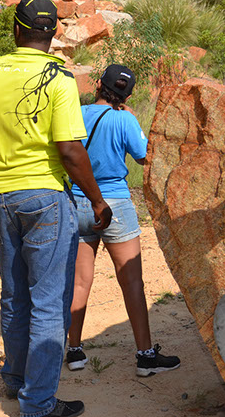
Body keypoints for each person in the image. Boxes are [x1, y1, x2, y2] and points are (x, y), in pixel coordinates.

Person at [0, 0, 112, 417]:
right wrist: (96, 199)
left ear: (16, 29)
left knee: (15, 294)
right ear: (52, 35)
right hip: (45, 197)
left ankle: (16, 379)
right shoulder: (60, 79)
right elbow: (69, 150)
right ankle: (38, 402)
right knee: (49, 302)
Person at [65, 64, 181, 377]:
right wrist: (131, 118)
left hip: (78, 201)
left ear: (98, 84)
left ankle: (74, 351)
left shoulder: (76, 113)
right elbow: (143, 156)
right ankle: (145, 356)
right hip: (114, 202)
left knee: (79, 281)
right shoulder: (125, 119)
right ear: (127, 96)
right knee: (131, 281)